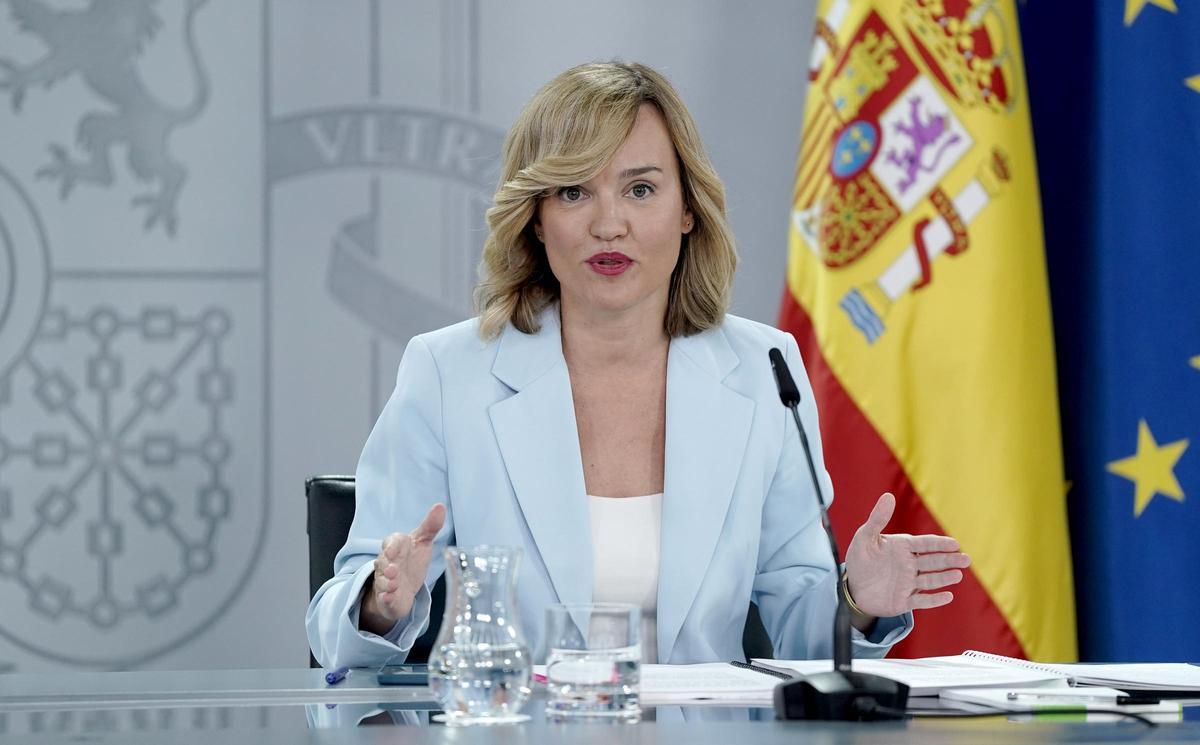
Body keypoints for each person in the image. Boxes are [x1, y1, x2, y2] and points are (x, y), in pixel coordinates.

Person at [306, 61, 970, 669]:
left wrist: (857, 596)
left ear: (687, 211)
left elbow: (806, 627)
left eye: (641, 189)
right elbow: (335, 623)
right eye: (572, 193)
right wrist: (382, 601)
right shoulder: (450, 372)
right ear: (535, 218)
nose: (608, 223)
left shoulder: (764, 367)